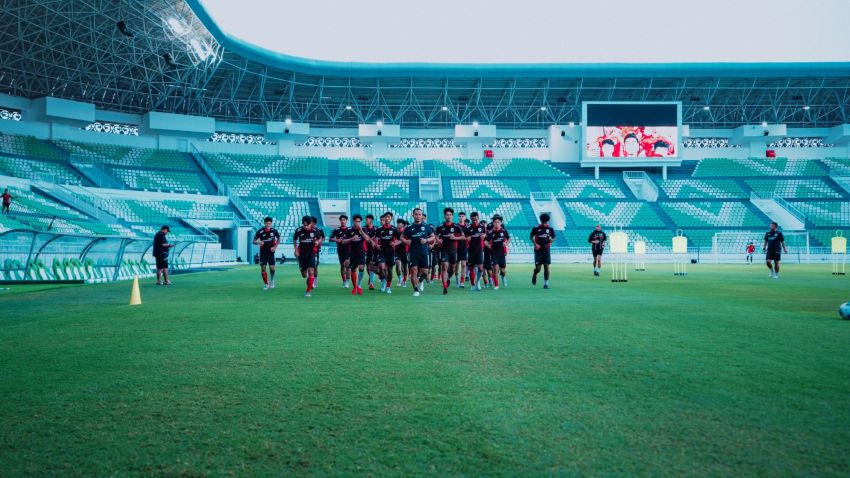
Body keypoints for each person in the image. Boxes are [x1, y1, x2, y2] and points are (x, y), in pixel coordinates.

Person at [400, 208, 435, 297]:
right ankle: (416, 290)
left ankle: (420, 281)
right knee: (414, 270)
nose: (418, 216)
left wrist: (426, 240)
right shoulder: (409, 228)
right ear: (413, 215)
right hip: (413, 252)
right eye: (416, 214)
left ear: (422, 216)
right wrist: (406, 241)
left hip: (423, 252)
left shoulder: (426, 226)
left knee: (425, 272)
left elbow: (433, 237)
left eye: (420, 214)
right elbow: (401, 237)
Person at [434, 207, 465, 295]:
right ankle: (444, 287)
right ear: (444, 216)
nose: (448, 216)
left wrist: (455, 238)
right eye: (447, 215)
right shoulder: (440, 226)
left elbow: (463, 236)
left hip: (453, 251)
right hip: (444, 250)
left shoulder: (456, 226)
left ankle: (447, 279)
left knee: (452, 269)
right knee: (444, 267)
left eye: (450, 215)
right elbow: (436, 235)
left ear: (452, 216)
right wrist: (438, 240)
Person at [373, 212, 401, 294]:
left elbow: (401, 239)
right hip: (381, 251)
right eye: (385, 217)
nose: (387, 218)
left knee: (389, 270)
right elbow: (376, 239)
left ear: (391, 218)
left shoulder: (394, 229)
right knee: (382, 268)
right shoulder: (379, 229)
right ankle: (383, 282)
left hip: (391, 252)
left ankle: (388, 287)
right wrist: (377, 245)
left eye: (389, 217)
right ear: (383, 219)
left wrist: (395, 243)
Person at [343, 214, 370, 295]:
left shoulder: (364, 229)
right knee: (353, 270)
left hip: (361, 252)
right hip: (352, 253)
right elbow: (343, 241)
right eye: (356, 221)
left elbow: (368, 239)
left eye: (359, 221)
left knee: (362, 268)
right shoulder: (349, 230)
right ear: (353, 221)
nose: (358, 223)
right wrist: (351, 238)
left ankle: (359, 285)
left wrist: (361, 231)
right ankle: (355, 287)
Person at [293, 215, 320, 297]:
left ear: (311, 223)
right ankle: (309, 279)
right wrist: (296, 250)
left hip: (311, 254)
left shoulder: (315, 230)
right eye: (304, 225)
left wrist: (318, 242)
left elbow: (320, 238)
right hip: (302, 255)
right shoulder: (298, 230)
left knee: (311, 271)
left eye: (307, 225)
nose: (305, 227)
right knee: (304, 275)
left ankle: (308, 291)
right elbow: (294, 240)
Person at [252, 216, 280, 290]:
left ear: (271, 224)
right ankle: (266, 284)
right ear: (264, 223)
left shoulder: (274, 231)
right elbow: (254, 241)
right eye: (267, 223)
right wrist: (259, 242)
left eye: (269, 223)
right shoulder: (260, 231)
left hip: (271, 252)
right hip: (263, 252)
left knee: (272, 268)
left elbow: (279, 238)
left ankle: (272, 280)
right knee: (263, 268)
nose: (268, 225)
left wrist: (275, 247)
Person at [531, 213, 556, 289]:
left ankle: (546, 283)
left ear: (547, 221)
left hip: (546, 249)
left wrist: (551, 240)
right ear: (541, 221)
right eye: (543, 222)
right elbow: (531, 237)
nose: (544, 224)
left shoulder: (550, 229)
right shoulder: (536, 228)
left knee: (546, 266)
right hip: (538, 250)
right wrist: (535, 244)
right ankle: (535, 273)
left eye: (545, 222)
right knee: (538, 268)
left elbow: (554, 237)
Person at [485, 215, 510, 290]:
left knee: (502, 270)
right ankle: (496, 285)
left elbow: (509, 239)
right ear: (493, 223)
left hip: (501, 253)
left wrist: (506, 243)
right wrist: (488, 245)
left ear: (501, 223)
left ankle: (503, 276)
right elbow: (485, 241)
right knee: (495, 269)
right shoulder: (490, 232)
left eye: (498, 222)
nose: (496, 224)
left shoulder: (504, 231)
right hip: (493, 253)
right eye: (495, 222)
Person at [465, 212, 487, 291]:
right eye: (473, 219)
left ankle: (477, 282)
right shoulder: (468, 228)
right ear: (471, 219)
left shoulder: (482, 227)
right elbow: (465, 237)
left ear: (478, 218)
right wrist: (467, 238)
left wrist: (484, 236)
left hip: (479, 250)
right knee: (471, 268)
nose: (474, 221)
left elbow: (485, 235)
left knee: (481, 268)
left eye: (476, 219)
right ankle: (472, 284)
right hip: (471, 250)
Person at [330, 215, 352, 288]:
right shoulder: (336, 230)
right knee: (342, 266)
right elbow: (330, 238)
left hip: (348, 249)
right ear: (340, 221)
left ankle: (347, 282)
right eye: (341, 220)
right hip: (340, 250)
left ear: (346, 221)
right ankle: (344, 281)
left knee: (347, 265)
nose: (343, 221)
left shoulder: (350, 229)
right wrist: (336, 240)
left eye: (344, 220)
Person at [363, 214, 378, 290]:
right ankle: (371, 279)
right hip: (367, 250)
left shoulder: (376, 228)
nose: (366, 221)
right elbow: (366, 238)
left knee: (372, 266)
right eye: (365, 219)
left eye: (367, 219)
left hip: (375, 250)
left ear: (371, 220)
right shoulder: (363, 228)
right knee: (368, 267)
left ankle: (371, 283)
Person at [394, 218, 409, 288]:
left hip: (405, 251)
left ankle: (404, 280)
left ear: (403, 226)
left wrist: (396, 242)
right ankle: (400, 278)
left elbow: (405, 241)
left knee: (405, 268)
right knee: (397, 265)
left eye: (400, 224)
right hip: (397, 251)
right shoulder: (395, 232)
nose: (398, 225)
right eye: (398, 223)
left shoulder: (406, 232)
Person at [455, 212, 468, 288]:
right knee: (456, 265)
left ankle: (462, 281)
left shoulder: (467, 227)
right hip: (456, 248)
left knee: (463, 264)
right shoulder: (455, 226)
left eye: (462, 216)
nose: (461, 217)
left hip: (464, 248)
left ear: (465, 218)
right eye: (460, 216)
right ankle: (457, 278)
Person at [310, 216, 324, 287]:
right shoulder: (306, 230)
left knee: (315, 266)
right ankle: (310, 279)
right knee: (310, 266)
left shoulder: (319, 230)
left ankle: (315, 279)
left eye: (310, 222)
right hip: (307, 251)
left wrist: (319, 242)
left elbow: (322, 238)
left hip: (316, 250)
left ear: (314, 223)